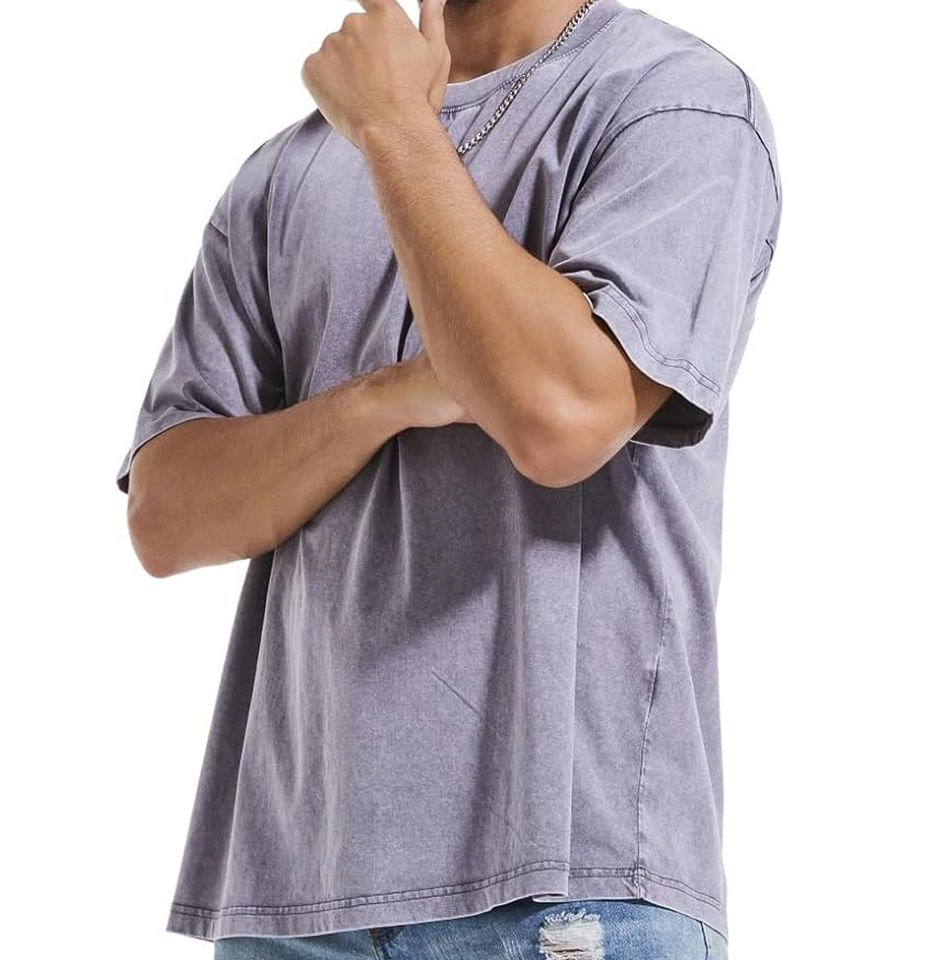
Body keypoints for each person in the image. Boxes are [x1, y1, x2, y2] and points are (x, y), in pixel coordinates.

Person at [115, 0, 782, 957]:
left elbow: (562, 419)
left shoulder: (671, 101)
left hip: (566, 887)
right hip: (292, 898)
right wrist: (383, 398)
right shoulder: (282, 175)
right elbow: (165, 518)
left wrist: (395, 126)